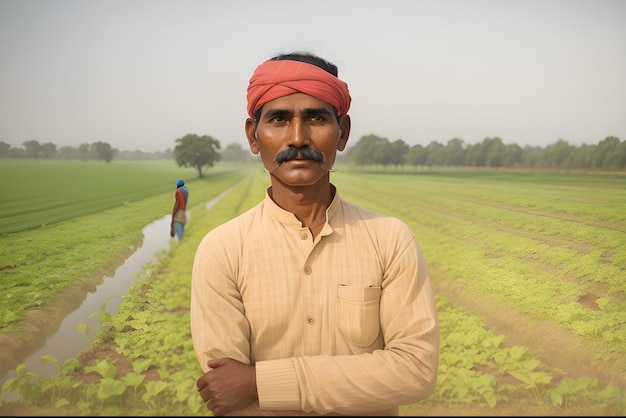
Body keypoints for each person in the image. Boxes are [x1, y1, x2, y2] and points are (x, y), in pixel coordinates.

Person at [190, 51, 439, 416]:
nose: (297, 138)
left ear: (343, 133)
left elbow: (414, 371)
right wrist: (245, 384)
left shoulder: (391, 240)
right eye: (278, 119)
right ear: (253, 136)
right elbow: (228, 391)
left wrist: (258, 380)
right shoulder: (222, 251)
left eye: (316, 118)